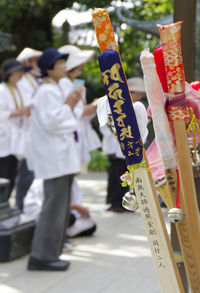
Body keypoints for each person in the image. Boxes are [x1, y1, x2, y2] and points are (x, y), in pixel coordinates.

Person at [27, 48, 82, 271]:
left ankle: (51, 253)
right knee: (53, 208)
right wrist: (69, 103)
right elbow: (53, 122)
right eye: (60, 63)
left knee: (58, 207)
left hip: (60, 157)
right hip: (54, 157)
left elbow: (69, 118)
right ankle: (42, 255)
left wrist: (71, 103)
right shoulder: (46, 92)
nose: (63, 67)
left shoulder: (52, 89)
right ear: (49, 68)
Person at [58, 45, 100, 235]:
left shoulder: (74, 84)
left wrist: (89, 109)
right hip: (68, 138)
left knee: (73, 177)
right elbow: (70, 113)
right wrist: (90, 108)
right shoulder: (62, 84)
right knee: (68, 178)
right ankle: (68, 216)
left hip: (77, 136)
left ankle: (71, 214)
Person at [99, 77, 148, 212]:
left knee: (125, 175)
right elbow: (106, 124)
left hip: (127, 146)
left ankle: (123, 202)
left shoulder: (132, 106)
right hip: (117, 146)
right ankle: (115, 202)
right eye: (139, 94)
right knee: (116, 175)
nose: (140, 97)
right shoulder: (112, 103)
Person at [14, 47, 42, 211]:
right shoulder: (24, 82)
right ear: (27, 63)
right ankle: (20, 208)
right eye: (35, 60)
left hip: (35, 131)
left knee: (32, 173)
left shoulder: (35, 80)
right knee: (26, 173)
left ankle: (27, 208)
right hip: (26, 132)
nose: (39, 64)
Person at [0, 59, 32, 201]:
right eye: (18, 71)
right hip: (5, 138)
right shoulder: (2, 90)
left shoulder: (20, 90)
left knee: (12, 174)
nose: (20, 74)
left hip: (17, 137)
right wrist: (18, 112)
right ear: (10, 74)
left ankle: (5, 204)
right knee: (4, 173)